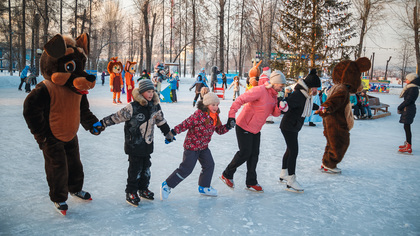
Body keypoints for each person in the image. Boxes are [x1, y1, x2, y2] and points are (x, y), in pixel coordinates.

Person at [100, 79, 172, 206]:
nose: (150, 94)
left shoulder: (155, 106)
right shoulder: (133, 107)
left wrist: (168, 133)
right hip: (134, 145)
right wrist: (103, 123)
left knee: (146, 169)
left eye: (152, 91)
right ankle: (131, 191)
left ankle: (143, 189)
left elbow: (161, 121)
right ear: (141, 92)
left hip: (147, 144)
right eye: (148, 92)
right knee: (135, 169)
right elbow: (117, 117)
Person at [220, 70, 289, 192]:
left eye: (283, 86)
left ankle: (251, 181)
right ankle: (227, 174)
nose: (282, 88)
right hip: (244, 125)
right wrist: (231, 115)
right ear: (274, 83)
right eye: (280, 85)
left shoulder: (274, 96)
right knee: (245, 153)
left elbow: (273, 113)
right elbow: (240, 100)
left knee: (254, 155)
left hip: (256, 128)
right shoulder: (260, 90)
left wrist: (280, 108)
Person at [160, 92, 233, 200]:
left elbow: (219, 130)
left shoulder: (215, 117)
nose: (215, 107)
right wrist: (172, 133)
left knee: (209, 164)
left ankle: (204, 186)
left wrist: (228, 126)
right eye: (213, 105)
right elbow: (185, 124)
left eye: (217, 105)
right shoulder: (199, 115)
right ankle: (167, 185)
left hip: (203, 147)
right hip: (192, 147)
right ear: (207, 104)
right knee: (186, 169)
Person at [279, 69, 321, 193]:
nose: (316, 91)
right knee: (293, 151)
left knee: (289, 149)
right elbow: (288, 105)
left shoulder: (305, 96)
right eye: (315, 88)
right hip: (289, 126)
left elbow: (305, 105)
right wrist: (283, 106)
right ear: (309, 87)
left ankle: (283, 173)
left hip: (293, 126)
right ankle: (291, 181)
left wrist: (319, 107)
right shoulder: (298, 94)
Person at [398, 73, 419, 154]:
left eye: (407, 79)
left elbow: (408, 100)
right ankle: (407, 143)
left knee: (407, 127)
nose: (405, 80)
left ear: (411, 80)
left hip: (409, 109)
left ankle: (409, 146)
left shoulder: (413, 88)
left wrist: (399, 107)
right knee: (406, 127)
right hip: (408, 109)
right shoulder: (411, 88)